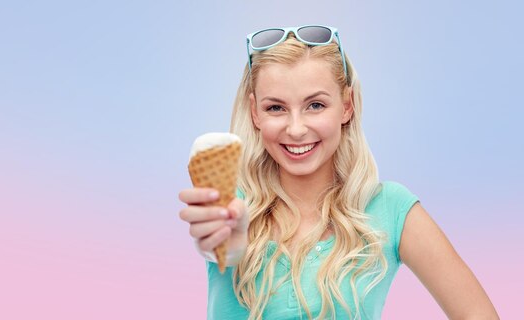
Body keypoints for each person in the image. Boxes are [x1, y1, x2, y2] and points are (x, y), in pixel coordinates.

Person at [178, 25, 499, 319]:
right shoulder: (231, 206)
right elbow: (216, 244)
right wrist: (224, 243)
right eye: (275, 108)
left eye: (315, 105)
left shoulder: (390, 209)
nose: (296, 128)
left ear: (347, 105)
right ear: (255, 113)